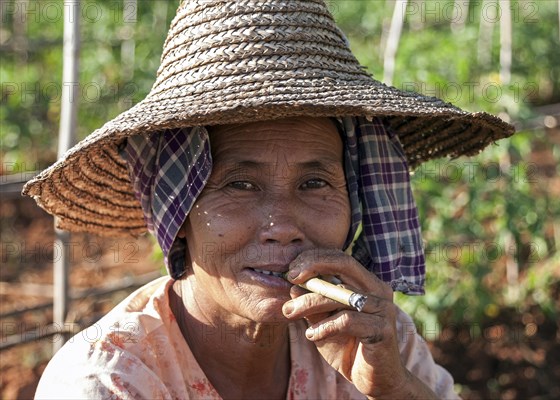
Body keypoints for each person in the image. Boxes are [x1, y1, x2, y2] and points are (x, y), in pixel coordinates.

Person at [24, 1, 514, 399]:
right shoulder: (109, 383)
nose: (283, 225)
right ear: (176, 211)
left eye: (314, 184)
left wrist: (394, 389)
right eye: (240, 185)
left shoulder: (374, 339)